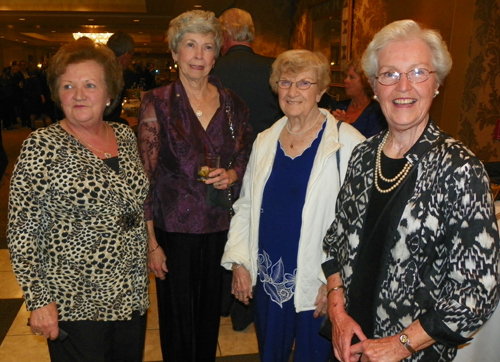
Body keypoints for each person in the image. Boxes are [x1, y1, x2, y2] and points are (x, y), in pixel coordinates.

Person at [322, 19, 500, 362]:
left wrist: (399, 344)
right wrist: (337, 313)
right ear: (375, 86)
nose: (403, 86)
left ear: (436, 83)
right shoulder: (363, 155)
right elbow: (336, 240)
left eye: (418, 72)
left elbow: (477, 292)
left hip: (412, 354)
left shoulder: (459, 169)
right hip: (349, 343)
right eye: (389, 74)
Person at [7, 38, 150, 362]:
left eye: (90, 84)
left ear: (110, 93)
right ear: (58, 94)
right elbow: (22, 232)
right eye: (68, 86)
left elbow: (134, 205)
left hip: (130, 292)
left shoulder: (125, 136)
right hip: (75, 300)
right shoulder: (41, 146)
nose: (79, 94)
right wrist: (39, 301)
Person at [221, 49, 365, 362]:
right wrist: (239, 262)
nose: (293, 91)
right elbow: (245, 206)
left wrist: (335, 285)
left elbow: (359, 224)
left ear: (322, 90)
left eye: (304, 83)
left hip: (318, 280)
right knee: (270, 355)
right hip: (270, 275)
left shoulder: (348, 143)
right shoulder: (265, 140)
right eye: (285, 82)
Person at [138, 10, 252, 362]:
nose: (199, 56)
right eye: (190, 46)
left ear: (216, 54)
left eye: (207, 47)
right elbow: (145, 178)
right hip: (174, 230)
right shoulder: (157, 102)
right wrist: (152, 243)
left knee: (207, 318)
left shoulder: (232, 103)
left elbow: (249, 152)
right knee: (176, 320)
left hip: (219, 225)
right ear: (174, 53)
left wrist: (233, 174)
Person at [212, 8, 282, 141]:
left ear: (224, 36)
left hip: (225, 154)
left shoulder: (212, 69)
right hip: (267, 150)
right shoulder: (275, 67)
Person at [329, 59, 386, 138]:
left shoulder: (377, 112)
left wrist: (345, 127)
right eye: (346, 76)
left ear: (365, 82)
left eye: (351, 77)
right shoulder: (339, 106)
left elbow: (371, 145)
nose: (345, 80)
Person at [106, 31, 139, 127]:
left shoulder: (104, 68)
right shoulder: (113, 74)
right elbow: (106, 114)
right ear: (126, 55)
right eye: (131, 55)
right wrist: (123, 122)